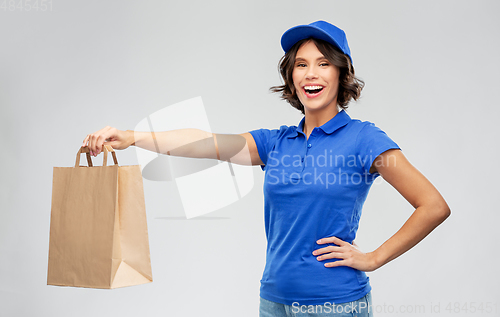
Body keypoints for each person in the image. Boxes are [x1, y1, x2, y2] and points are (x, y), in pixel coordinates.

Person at [83, 20, 450, 317]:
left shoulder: (364, 140)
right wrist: (132, 136)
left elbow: (432, 205)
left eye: (323, 64)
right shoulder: (276, 143)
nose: (311, 74)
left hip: (335, 305)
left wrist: (373, 258)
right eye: (301, 65)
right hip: (273, 302)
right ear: (291, 76)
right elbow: (206, 142)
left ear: (341, 74)